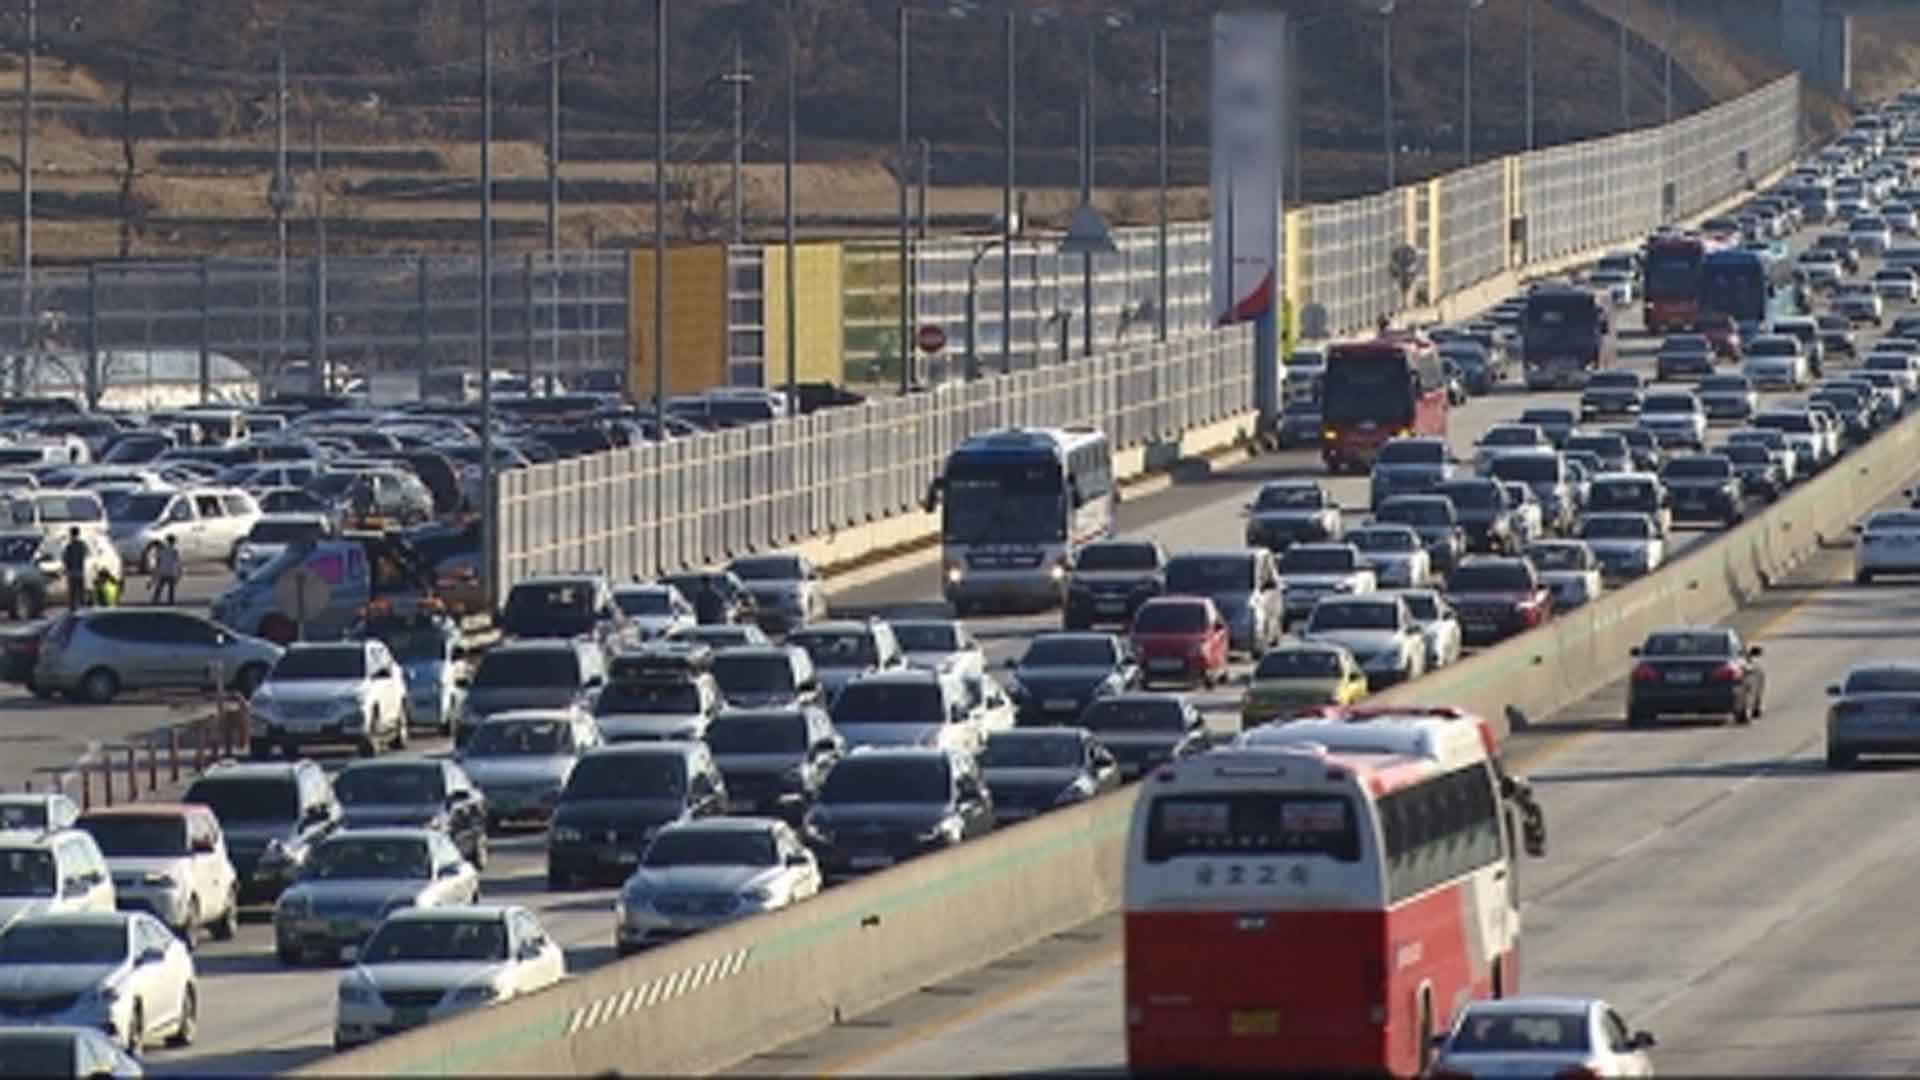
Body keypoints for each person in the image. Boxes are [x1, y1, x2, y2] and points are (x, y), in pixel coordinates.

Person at [59, 528, 88, 610]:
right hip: (80, 571)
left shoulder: (69, 546)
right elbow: (85, 554)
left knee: (72, 592)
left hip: (71, 572)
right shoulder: (82, 545)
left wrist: (66, 567)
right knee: (80, 591)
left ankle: (72, 608)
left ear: (71, 534)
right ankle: (82, 606)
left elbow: (64, 558)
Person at [151, 535, 182, 606]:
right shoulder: (175, 550)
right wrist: (179, 573)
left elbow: (158, 562)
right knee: (170, 588)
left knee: (160, 587)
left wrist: (155, 574)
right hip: (171, 572)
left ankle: (156, 599)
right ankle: (170, 601)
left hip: (164, 571)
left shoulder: (163, 550)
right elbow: (178, 562)